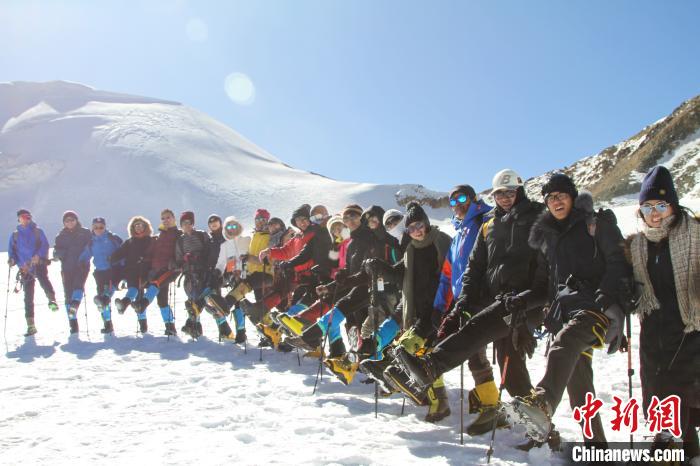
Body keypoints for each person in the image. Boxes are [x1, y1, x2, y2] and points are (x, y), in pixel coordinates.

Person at [390, 172, 550, 438]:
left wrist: (532, 301)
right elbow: (473, 268)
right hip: (498, 301)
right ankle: (544, 431)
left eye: (511, 192)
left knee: (475, 331)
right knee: (511, 372)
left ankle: (430, 366)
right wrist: (461, 301)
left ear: (520, 191)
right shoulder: (489, 225)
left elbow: (545, 269)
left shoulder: (537, 218)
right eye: (500, 193)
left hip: (524, 302)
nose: (505, 197)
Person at [626, 166, 700, 459]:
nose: (654, 213)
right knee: (656, 391)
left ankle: (671, 449)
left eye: (661, 204)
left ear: (673, 204)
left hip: (689, 328)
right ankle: (684, 448)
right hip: (653, 330)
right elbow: (631, 285)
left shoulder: (694, 234)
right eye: (647, 206)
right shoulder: (637, 245)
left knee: (680, 393)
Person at [365, 201, 453, 422]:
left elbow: (454, 272)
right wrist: (379, 267)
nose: (416, 231)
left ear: (426, 223)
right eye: (411, 228)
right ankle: (432, 397)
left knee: (424, 353)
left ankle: (437, 401)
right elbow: (400, 274)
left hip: (439, 307)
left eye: (419, 225)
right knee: (423, 354)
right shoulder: (411, 249)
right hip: (418, 308)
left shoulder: (442, 242)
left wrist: (447, 306)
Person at [7, 209, 58, 336]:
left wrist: (38, 256)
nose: (26, 219)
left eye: (28, 217)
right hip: (25, 268)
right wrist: (12, 260)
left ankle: (52, 300)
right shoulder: (15, 235)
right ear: (19, 219)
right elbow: (12, 251)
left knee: (43, 280)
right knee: (28, 296)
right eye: (23, 217)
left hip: (38, 263)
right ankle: (31, 325)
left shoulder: (37, 231)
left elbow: (44, 246)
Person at [132, 209, 181, 336]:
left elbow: (180, 251)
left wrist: (176, 262)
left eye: (168, 217)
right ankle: (170, 327)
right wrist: (145, 260)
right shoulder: (160, 235)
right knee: (162, 300)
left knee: (156, 285)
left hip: (169, 269)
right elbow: (152, 252)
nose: (165, 220)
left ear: (174, 218)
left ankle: (143, 304)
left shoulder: (178, 234)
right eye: (163, 218)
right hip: (155, 269)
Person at [206, 216, 250, 341]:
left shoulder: (247, 240)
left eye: (234, 226)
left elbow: (252, 255)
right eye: (229, 227)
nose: (232, 229)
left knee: (239, 302)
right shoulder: (225, 245)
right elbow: (221, 263)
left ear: (239, 227)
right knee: (236, 302)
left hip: (245, 274)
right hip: (231, 275)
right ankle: (239, 331)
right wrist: (217, 272)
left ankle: (241, 332)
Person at [79, 217, 123, 334]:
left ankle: (108, 323)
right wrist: (81, 262)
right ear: (92, 228)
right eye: (96, 227)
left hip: (113, 270)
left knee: (106, 294)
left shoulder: (112, 238)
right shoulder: (91, 241)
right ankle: (107, 323)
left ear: (105, 227)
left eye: (101, 227)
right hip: (99, 272)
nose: (98, 229)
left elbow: (123, 252)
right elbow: (86, 254)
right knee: (101, 300)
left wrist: (123, 267)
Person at [111, 216, 154, 333]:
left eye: (141, 225)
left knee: (139, 298)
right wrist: (111, 259)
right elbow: (120, 253)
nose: (139, 227)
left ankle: (142, 324)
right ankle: (126, 306)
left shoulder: (151, 241)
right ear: (132, 228)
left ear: (145, 227)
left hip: (146, 272)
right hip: (132, 271)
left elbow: (154, 255)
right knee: (134, 291)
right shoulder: (129, 242)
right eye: (136, 225)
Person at [53, 210, 92, 334]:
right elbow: (56, 250)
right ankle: (73, 323)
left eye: (72, 220)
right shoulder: (60, 236)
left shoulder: (85, 233)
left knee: (78, 286)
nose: (69, 222)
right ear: (64, 223)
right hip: (66, 267)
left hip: (81, 265)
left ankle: (74, 306)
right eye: (67, 220)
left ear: (76, 220)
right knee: (67, 295)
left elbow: (91, 246)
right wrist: (58, 255)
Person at [176, 211, 211, 339]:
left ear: (192, 223)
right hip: (189, 275)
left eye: (188, 222)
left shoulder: (202, 235)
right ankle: (194, 326)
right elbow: (178, 259)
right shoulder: (180, 241)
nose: (186, 225)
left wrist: (198, 257)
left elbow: (209, 251)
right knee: (192, 299)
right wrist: (185, 262)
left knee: (198, 299)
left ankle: (193, 325)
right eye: (183, 223)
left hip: (202, 273)